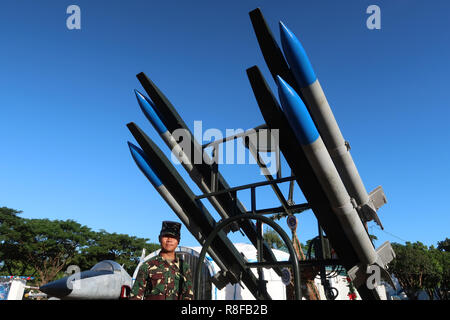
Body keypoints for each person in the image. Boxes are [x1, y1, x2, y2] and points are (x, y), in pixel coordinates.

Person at [129, 221, 194, 300]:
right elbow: (135, 296)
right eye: (166, 236)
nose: (169, 240)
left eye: (173, 237)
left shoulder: (184, 267)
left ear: (178, 240)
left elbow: (189, 295)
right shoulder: (147, 265)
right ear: (159, 238)